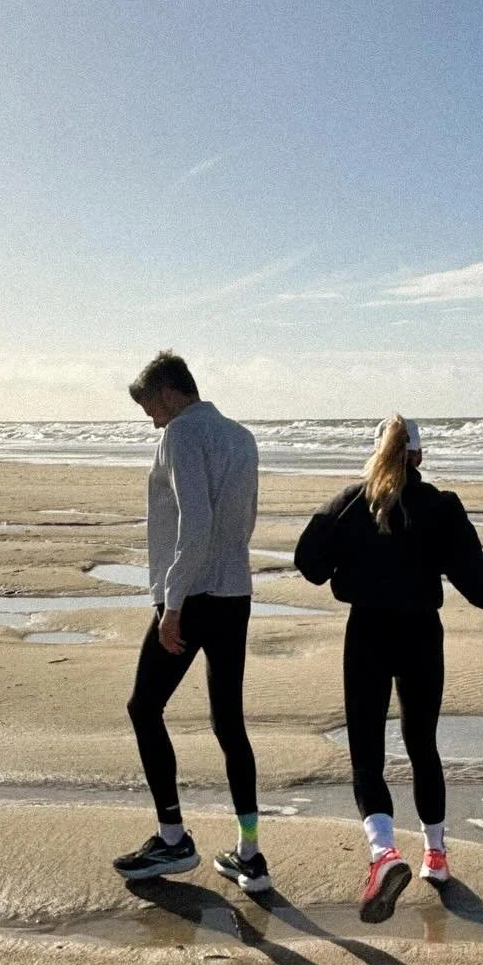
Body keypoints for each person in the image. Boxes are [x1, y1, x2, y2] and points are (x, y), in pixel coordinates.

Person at [294, 414, 483, 922]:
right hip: (423, 633)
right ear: (420, 457)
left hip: (369, 634)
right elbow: (472, 569)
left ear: (377, 454)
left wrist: (347, 561)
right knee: (422, 741)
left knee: (367, 750)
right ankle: (436, 856)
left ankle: (383, 854)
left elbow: (309, 562)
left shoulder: (354, 502)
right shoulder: (440, 506)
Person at [112, 351, 271, 893]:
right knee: (229, 721)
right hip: (235, 593)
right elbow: (244, 518)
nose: (151, 419)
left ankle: (173, 837)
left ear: (170, 392)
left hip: (193, 596)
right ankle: (249, 852)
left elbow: (195, 521)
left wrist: (173, 602)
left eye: (151, 407)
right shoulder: (242, 436)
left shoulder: (181, 434)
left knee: (144, 707)